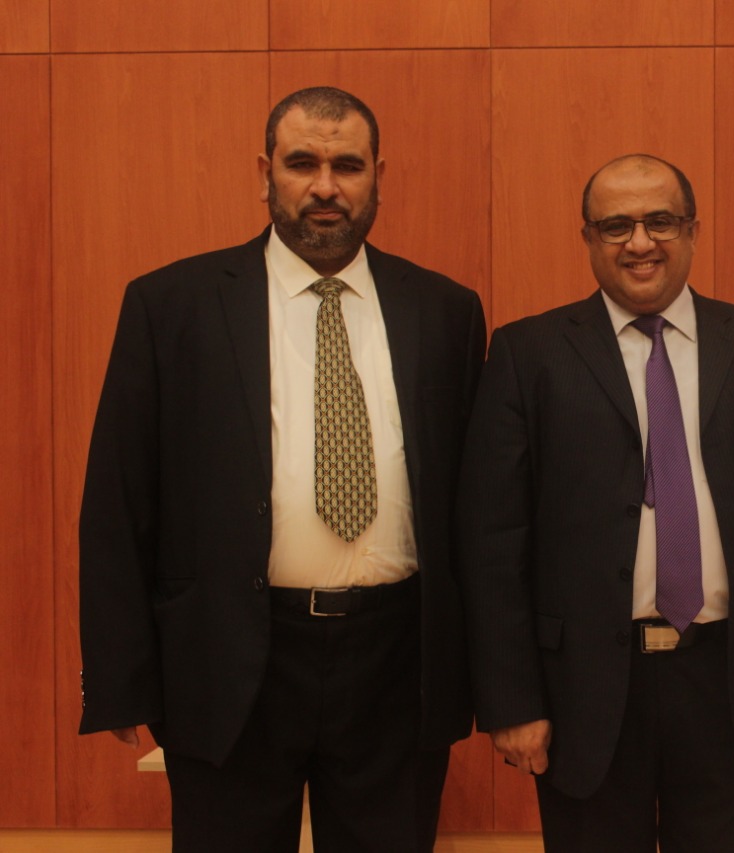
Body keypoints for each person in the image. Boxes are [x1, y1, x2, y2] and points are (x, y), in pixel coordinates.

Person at [78, 86, 485, 852]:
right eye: (302, 163)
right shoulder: (171, 306)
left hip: (397, 663)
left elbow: (476, 510)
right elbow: (118, 502)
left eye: (347, 166)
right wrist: (118, 674)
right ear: (265, 172)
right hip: (229, 658)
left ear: (378, 176)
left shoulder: (446, 311)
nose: (325, 186)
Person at [458, 153, 734, 852]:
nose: (639, 242)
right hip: (584, 692)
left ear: (693, 230)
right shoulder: (528, 354)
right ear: (588, 238)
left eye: (660, 221)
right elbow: (493, 544)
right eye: (616, 226)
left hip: (732, 683)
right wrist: (511, 701)